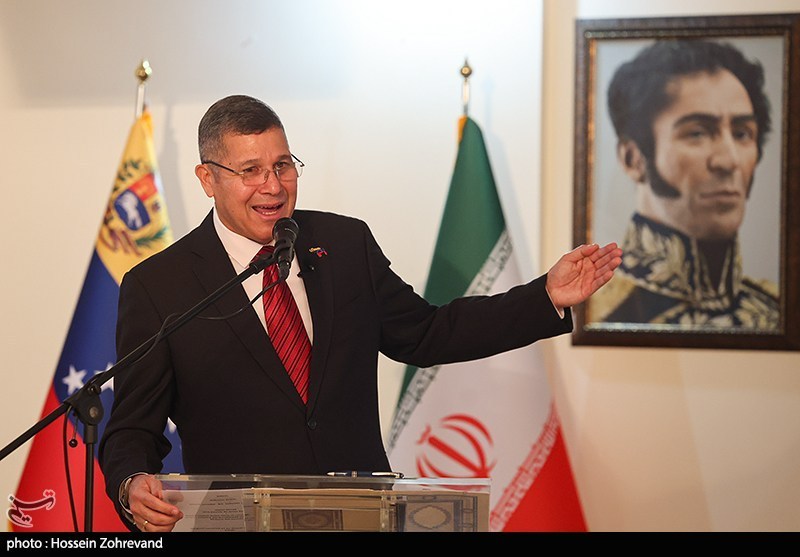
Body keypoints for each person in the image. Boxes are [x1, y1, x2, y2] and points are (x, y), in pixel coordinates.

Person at [98, 94, 622, 532]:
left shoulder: (344, 244)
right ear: (207, 178)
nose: (273, 186)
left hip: (360, 518)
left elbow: (428, 333)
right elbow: (133, 428)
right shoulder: (159, 286)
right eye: (250, 171)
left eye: (283, 165)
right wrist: (130, 483)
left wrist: (544, 297)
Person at [589, 39, 780, 329]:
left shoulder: (776, 310)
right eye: (697, 133)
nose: (729, 161)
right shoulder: (597, 312)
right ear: (633, 159)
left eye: (742, 133)